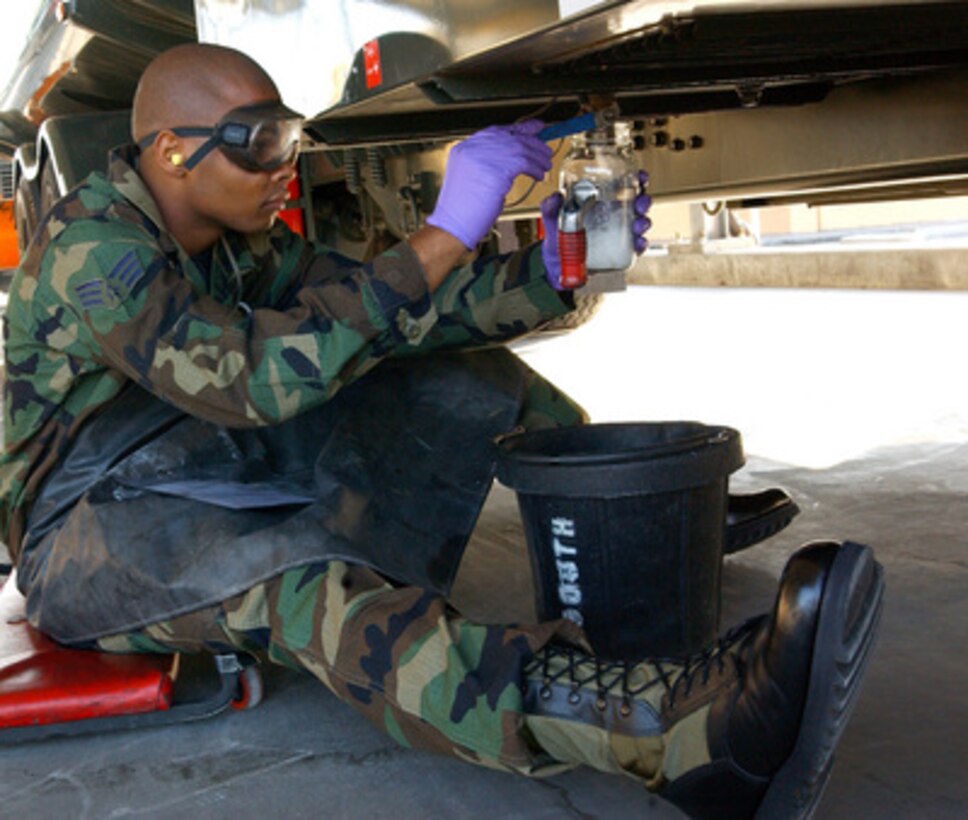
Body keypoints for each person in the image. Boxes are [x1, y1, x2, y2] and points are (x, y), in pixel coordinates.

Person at [0, 43, 883, 818]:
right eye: (261, 143)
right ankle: (678, 743)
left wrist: (539, 272)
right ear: (171, 150)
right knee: (293, 581)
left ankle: (637, 513)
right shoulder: (95, 245)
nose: (285, 167)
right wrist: (440, 232)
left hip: (191, 452)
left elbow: (393, 313)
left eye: (291, 139)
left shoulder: (243, 247)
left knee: (426, 366)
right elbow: (247, 378)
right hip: (77, 528)